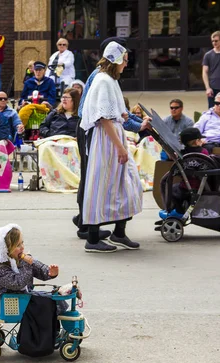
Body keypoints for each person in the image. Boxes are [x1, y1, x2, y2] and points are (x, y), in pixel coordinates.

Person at [74, 37, 150, 241]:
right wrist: (120, 148)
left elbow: (119, 113)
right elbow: (104, 118)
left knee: (126, 184)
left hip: (112, 136)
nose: (127, 63)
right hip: (105, 139)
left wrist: (138, 124)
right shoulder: (103, 80)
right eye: (124, 59)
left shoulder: (111, 80)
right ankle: (91, 235)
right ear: (116, 60)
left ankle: (119, 232)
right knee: (100, 184)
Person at [0, 224, 72, 314]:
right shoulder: (1, 269)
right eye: (17, 245)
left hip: (25, 299)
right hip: (14, 305)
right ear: (6, 249)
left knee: (55, 298)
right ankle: (45, 327)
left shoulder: (21, 260)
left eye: (22, 243)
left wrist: (50, 272)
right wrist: (27, 263)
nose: (22, 247)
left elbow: (38, 269)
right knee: (49, 303)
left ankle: (53, 323)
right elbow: (18, 283)